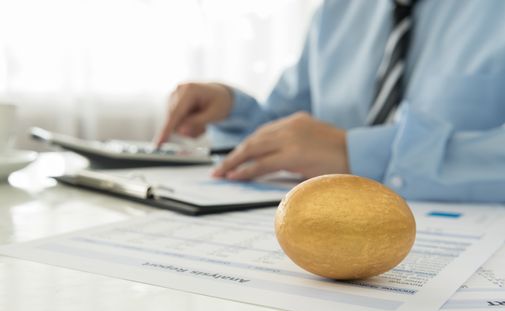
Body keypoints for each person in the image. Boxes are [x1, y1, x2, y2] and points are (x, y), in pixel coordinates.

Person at [155, 0, 505, 202]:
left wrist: (355, 151)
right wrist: (232, 110)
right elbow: (295, 131)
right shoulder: (338, 10)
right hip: (323, 231)